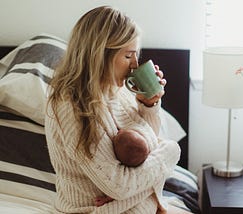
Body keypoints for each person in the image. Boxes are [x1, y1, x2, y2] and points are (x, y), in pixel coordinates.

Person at [45, 6, 191, 214]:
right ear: (100, 55)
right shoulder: (71, 104)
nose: (135, 65)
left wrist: (148, 105)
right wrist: (170, 152)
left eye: (136, 55)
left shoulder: (118, 90)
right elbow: (120, 186)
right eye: (128, 56)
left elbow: (147, 145)